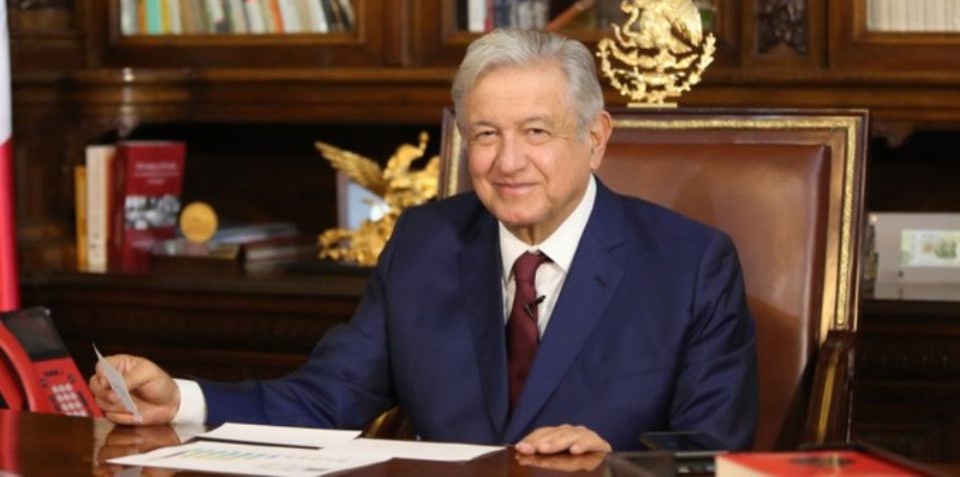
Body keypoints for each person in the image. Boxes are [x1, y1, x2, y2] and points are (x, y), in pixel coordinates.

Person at [90, 28, 758, 454]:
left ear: (596, 138)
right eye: (486, 135)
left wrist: (612, 461)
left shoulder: (690, 263)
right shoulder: (426, 241)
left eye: (535, 132)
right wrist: (182, 400)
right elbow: (329, 397)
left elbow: (712, 447)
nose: (508, 162)